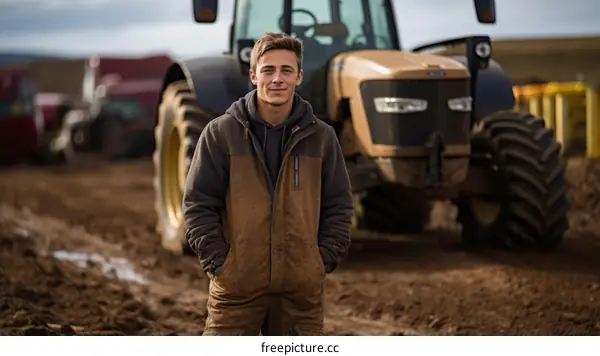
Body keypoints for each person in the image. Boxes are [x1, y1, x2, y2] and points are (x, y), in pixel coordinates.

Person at [182, 32, 354, 336]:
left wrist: (318, 262)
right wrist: (222, 265)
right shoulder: (220, 134)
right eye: (268, 70)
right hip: (237, 292)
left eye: (287, 70)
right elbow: (198, 205)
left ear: (299, 76)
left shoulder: (322, 138)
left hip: (299, 297)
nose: (277, 79)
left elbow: (339, 206)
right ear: (252, 75)